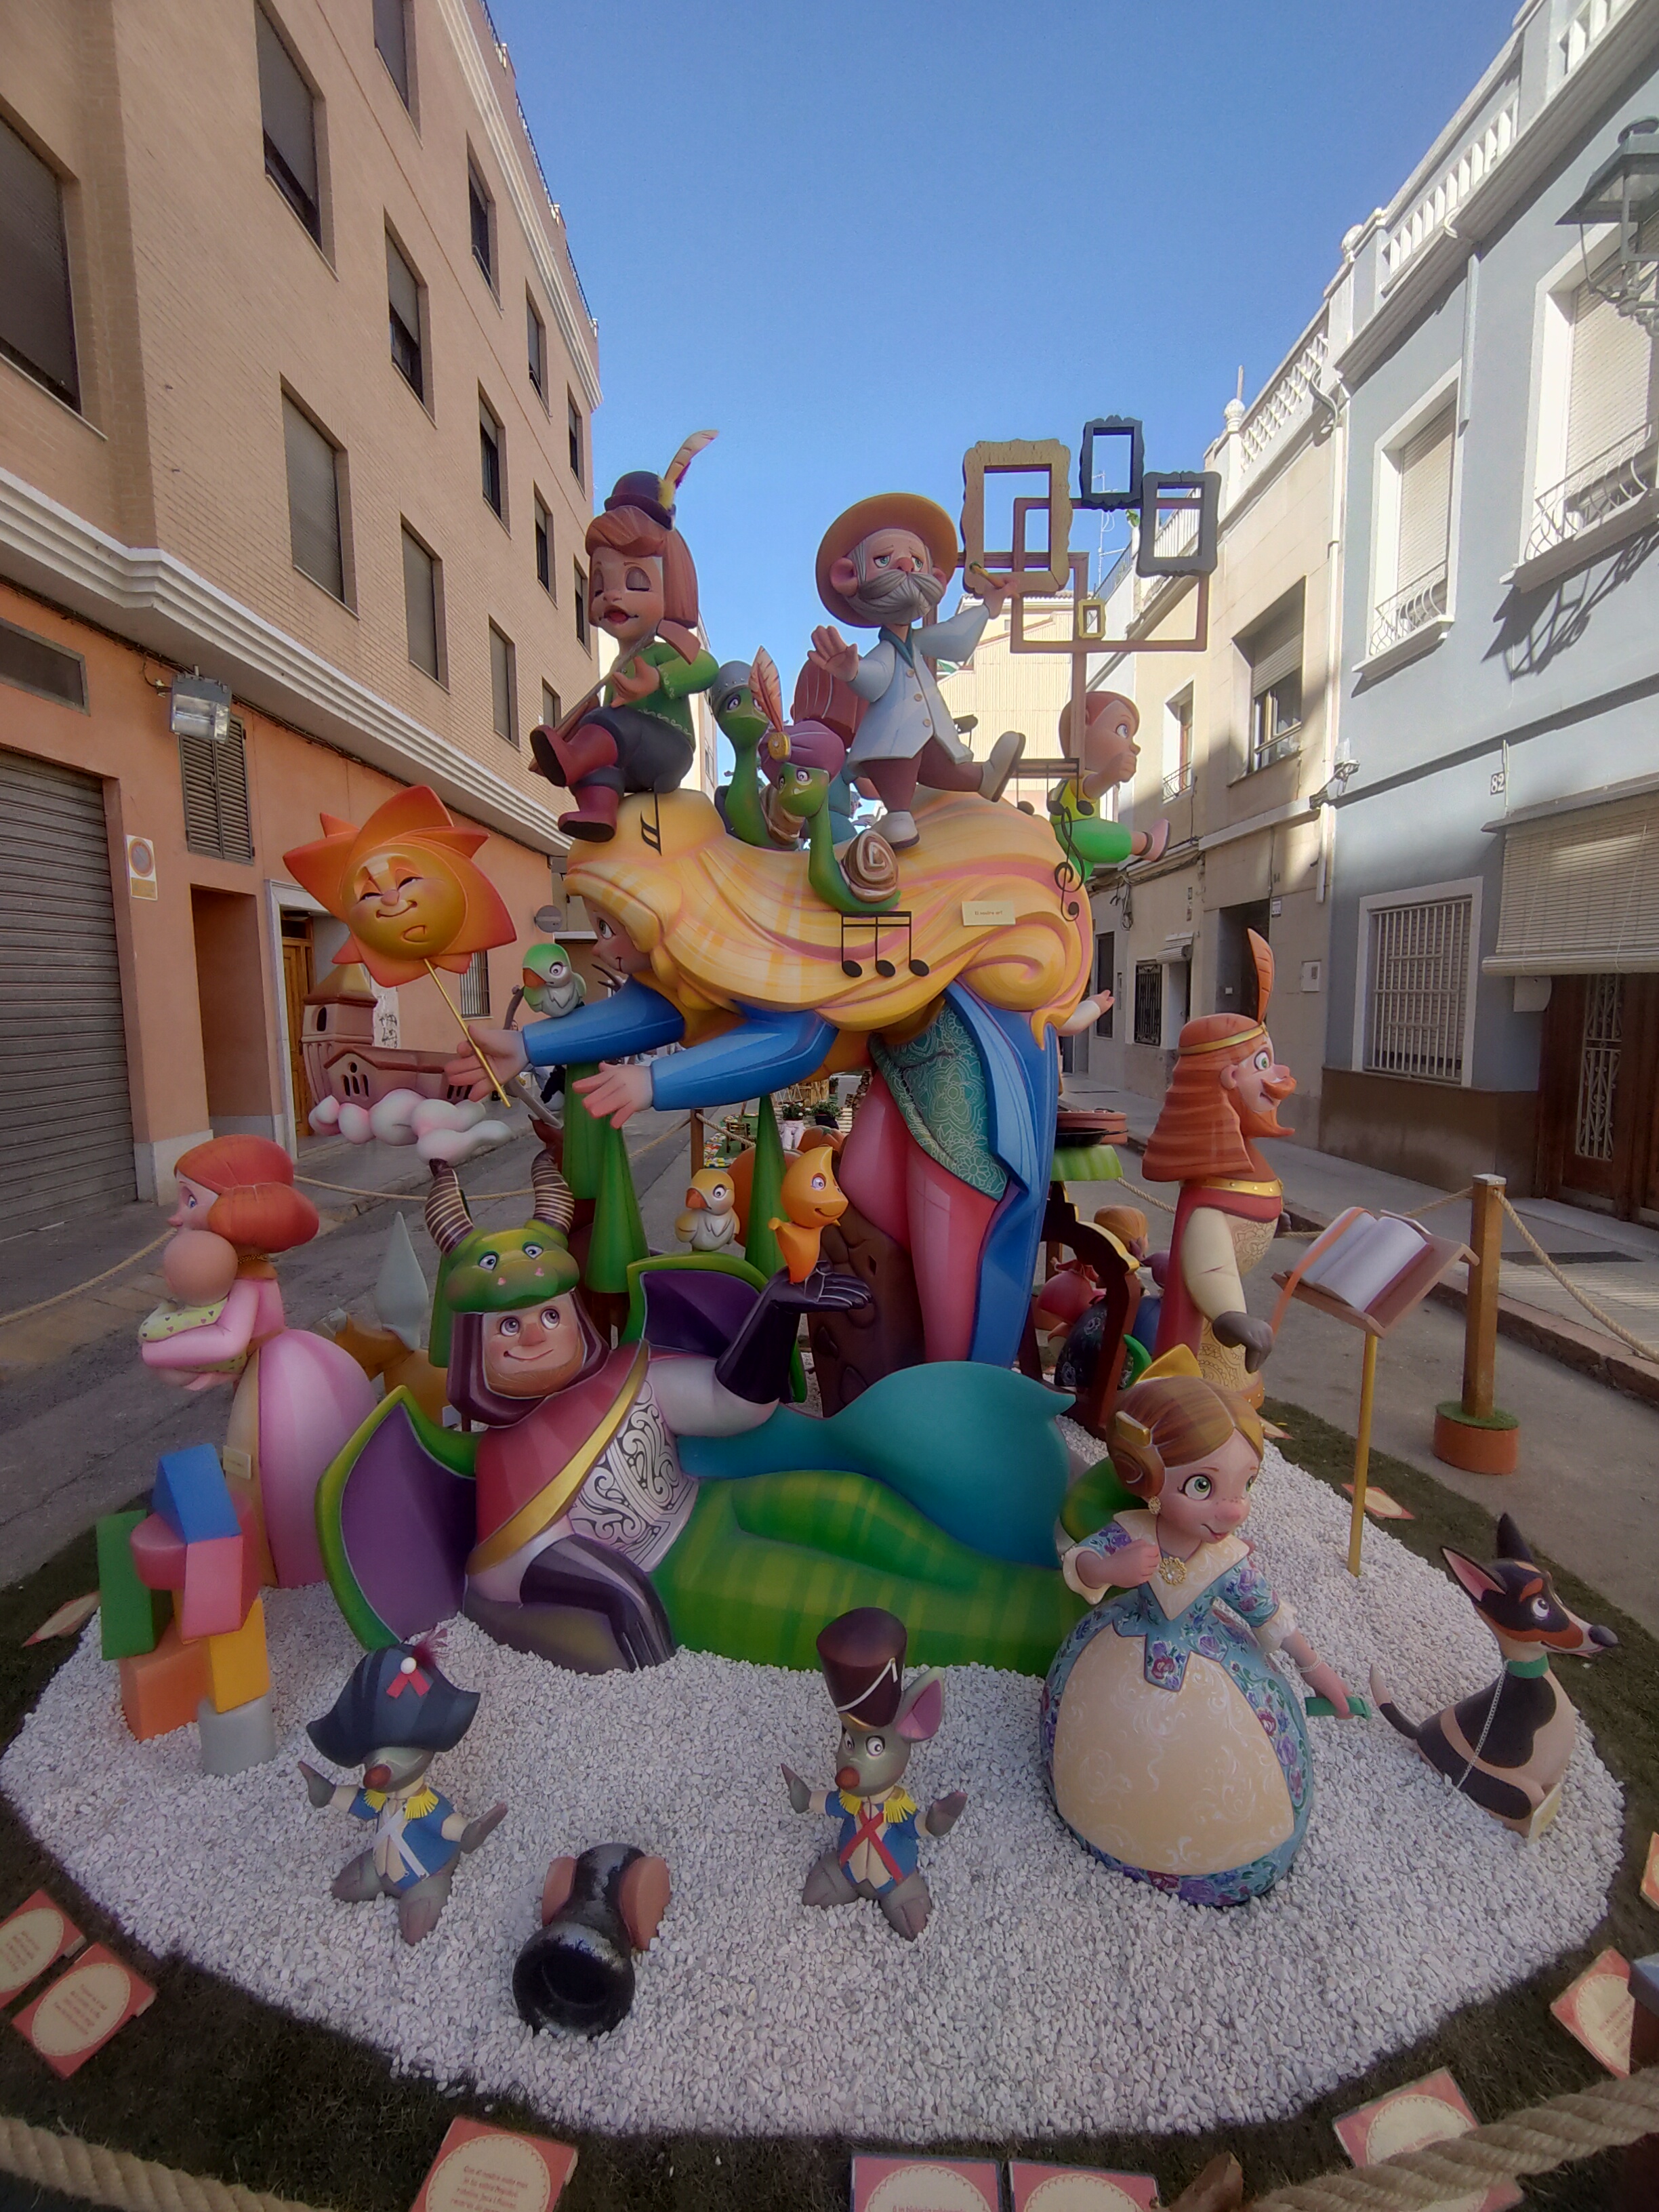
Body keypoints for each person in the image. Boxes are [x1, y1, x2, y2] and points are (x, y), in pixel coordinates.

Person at [317, 1153, 1084, 1677]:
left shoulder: (629, 1372)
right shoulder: (501, 1459)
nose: (534, 1336)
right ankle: (1051, 1635)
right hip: (677, 1571)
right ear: (471, 1343)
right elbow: (505, 1569)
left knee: (859, 1506)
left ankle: (1062, 1583)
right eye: (508, 1326)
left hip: (716, 1502)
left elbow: (731, 1405)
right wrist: (618, 1592)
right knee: (858, 1603)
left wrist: (777, 1310)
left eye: (549, 1314)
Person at [447, 784, 1091, 1369]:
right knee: (869, 1194)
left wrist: (653, 1084)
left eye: (613, 926)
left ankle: (964, 1399)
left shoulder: (761, 931)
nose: (607, 947)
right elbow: (662, 1008)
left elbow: (796, 1040)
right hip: (904, 1068)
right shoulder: (716, 949)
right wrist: (526, 1044)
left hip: (961, 1066)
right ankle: (905, 1381)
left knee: (954, 1251)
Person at [1042, 1354, 1351, 1906]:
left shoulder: (1228, 1562)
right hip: (1122, 1642)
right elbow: (1081, 1564)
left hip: (1211, 1666)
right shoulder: (1133, 1532)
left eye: (1245, 1485)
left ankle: (1223, 1863)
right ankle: (1103, 1824)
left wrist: (1315, 1669)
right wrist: (1111, 1568)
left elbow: (1267, 1614)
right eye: (1203, 1485)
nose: (1233, 1511)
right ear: (1147, 1479)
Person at [138, 1136, 375, 1586]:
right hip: (266, 1368)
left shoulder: (251, 1276)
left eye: (191, 1199)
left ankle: (286, 1561)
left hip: (272, 1373)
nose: (176, 1216)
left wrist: (158, 1349)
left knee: (267, 1463)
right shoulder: (237, 1268)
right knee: (266, 1462)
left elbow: (229, 1341)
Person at [807, 494, 1023, 851]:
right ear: (849, 576)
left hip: (927, 736)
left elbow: (956, 638)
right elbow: (876, 680)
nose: (906, 565)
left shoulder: (919, 642)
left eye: (917, 561)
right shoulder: (886, 652)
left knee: (943, 761)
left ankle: (982, 777)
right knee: (901, 765)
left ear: (935, 578)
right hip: (891, 744)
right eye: (884, 559)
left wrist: (989, 606)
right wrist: (852, 671)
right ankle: (897, 815)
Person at [529, 436, 718, 842]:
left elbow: (706, 668)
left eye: (635, 581)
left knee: (609, 727)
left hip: (669, 749)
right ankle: (599, 811)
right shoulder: (618, 663)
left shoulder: (663, 646)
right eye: (601, 584)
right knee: (598, 733)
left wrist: (660, 680)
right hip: (631, 755)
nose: (613, 595)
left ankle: (574, 761)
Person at [1139, 930, 1294, 1403]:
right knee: (1220, 1406)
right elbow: (1210, 1268)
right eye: (1262, 1063)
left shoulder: (1235, 1175)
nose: (1279, 1078)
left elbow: (1242, 1218)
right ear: (1226, 1079)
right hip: (1213, 1346)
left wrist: (1269, 1219)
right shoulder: (1208, 1205)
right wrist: (1231, 1317)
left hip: (1226, 1353)